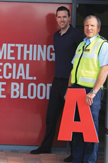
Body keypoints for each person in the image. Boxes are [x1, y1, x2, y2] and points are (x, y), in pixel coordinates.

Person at [30, 6, 84, 162]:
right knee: (51, 116)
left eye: (64, 17)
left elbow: (80, 60)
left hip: (71, 83)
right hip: (57, 80)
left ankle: (75, 154)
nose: (62, 20)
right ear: (56, 19)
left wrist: (71, 85)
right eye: (59, 17)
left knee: (71, 120)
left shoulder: (76, 35)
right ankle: (46, 147)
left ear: (69, 18)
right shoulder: (56, 36)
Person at [68, 15, 108, 163]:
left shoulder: (103, 44)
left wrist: (94, 91)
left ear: (98, 28)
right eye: (86, 26)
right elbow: (73, 69)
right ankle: (77, 159)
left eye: (92, 26)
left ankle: (90, 160)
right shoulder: (81, 45)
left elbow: (105, 70)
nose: (89, 28)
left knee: (90, 129)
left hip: (91, 92)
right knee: (77, 127)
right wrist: (68, 89)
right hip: (76, 90)